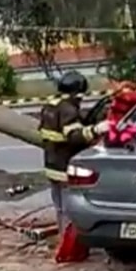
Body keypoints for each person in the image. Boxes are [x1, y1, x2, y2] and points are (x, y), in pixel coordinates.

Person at [39, 71, 109, 229]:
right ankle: (68, 247)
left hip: (51, 165)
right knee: (69, 211)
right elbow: (74, 136)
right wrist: (96, 130)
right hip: (64, 166)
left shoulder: (50, 105)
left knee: (59, 208)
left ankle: (62, 241)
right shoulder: (68, 109)